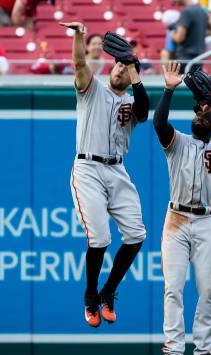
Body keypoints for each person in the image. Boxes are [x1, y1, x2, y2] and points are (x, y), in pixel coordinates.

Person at [59, 22, 150, 328]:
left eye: (127, 67)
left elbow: (145, 111)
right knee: (99, 239)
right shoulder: (93, 89)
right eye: (119, 64)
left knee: (136, 235)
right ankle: (89, 296)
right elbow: (80, 63)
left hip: (117, 169)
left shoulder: (132, 102)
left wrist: (134, 67)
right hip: (87, 168)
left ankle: (108, 292)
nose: (121, 70)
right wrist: (79, 35)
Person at [154, 63, 211, 355]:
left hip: (205, 223)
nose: (197, 116)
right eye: (197, 113)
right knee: (173, 288)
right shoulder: (178, 142)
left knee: (207, 290)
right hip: (175, 218)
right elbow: (159, 123)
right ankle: (174, 352)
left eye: (202, 114)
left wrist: (210, 112)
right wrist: (169, 89)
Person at [171, 0, 208, 72]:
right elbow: (207, 32)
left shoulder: (186, 11)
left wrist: (172, 35)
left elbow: (179, 38)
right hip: (199, 58)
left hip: (185, 59)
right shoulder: (203, 11)